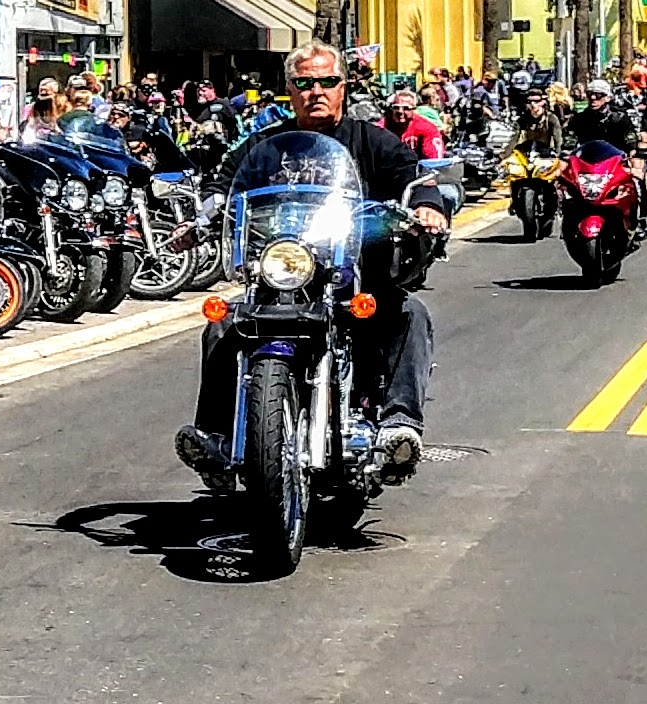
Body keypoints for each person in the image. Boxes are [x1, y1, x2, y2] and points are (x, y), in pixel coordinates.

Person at [178, 39, 447, 485]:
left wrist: (426, 204)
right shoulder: (266, 147)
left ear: (343, 85)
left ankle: (399, 426)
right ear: (290, 88)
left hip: (354, 276)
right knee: (223, 322)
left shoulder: (373, 142)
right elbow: (224, 185)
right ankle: (216, 436)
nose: (315, 91)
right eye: (303, 83)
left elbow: (416, 177)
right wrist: (200, 218)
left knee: (409, 314)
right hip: (280, 274)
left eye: (326, 81)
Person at [567, 80, 636, 152]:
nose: (593, 98)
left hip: (615, 160)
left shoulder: (620, 119)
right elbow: (569, 142)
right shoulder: (579, 119)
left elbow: (631, 142)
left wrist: (632, 151)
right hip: (587, 159)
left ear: (608, 98)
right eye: (589, 94)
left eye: (598, 95)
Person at [380, 89, 445, 158]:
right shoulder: (380, 128)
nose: (400, 111)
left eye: (406, 108)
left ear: (414, 109)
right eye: (396, 107)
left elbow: (434, 160)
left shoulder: (427, 128)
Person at [508, 87, 563, 153]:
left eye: (536, 101)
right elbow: (514, 138)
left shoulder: (551, 118)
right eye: (529, 101)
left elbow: (558, 139)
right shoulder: (523, 118)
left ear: (543, 102)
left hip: (545, 153)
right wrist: (505, 156)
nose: (532, 104)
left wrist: (558, 153)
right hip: (528, 151)